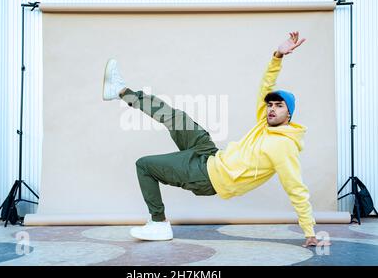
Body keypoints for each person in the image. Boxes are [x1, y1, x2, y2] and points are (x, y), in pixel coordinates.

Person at [102, 31, 329, 248]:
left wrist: (309, 231)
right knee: (176, 117)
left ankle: (158, 223)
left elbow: (295, 188)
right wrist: (278, 56)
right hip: (210, 154)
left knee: (145, 165)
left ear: (289, 114)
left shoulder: (284, 146)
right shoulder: (265, 124)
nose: (271, 109)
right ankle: (121, 91)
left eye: (279, 106)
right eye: (270, 105)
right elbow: (265, 86)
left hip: (209, 176)